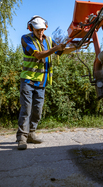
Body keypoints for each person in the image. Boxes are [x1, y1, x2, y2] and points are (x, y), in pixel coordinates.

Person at [17, 15, 72, 150]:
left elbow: (61, 52)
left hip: (42, 82)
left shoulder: (48, 40)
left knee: (37, 111)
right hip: (28, 81)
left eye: (42, 29)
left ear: (45, 28)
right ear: (31, 28)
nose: (40, 32)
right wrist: (56, 48)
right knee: (26, 110)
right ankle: (22, 138)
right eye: (37, 30)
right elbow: (39, 55)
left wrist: (76, 46)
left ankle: (31, 134)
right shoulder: (26, 39)